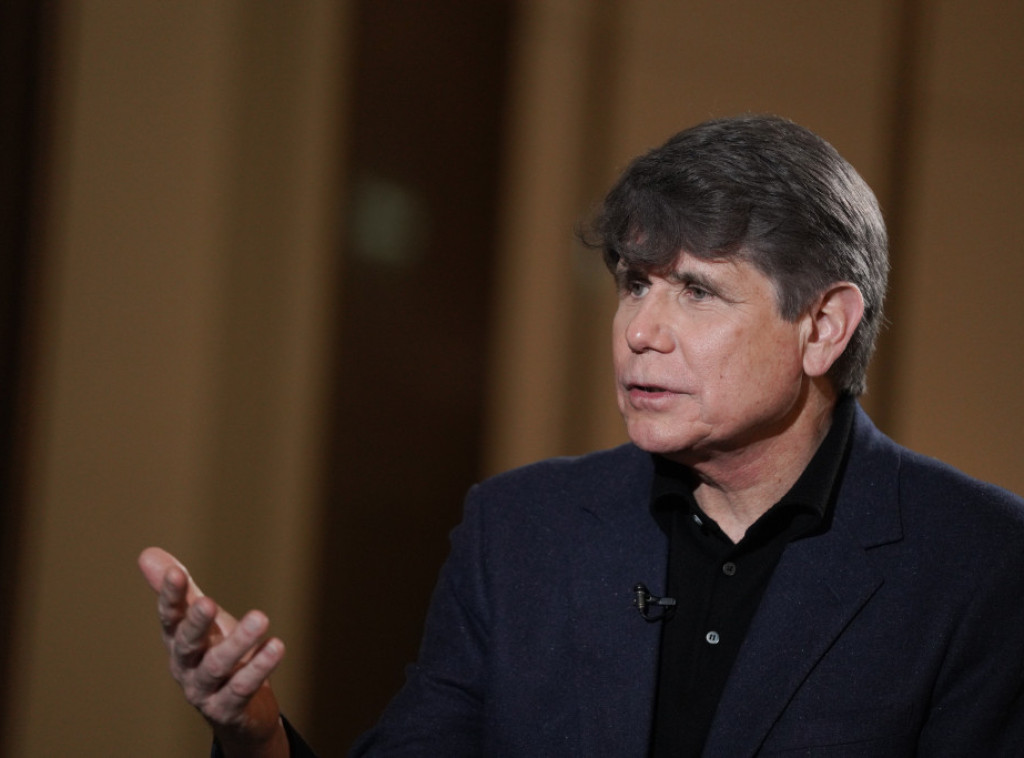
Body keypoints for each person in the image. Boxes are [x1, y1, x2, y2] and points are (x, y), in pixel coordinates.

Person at [139, 114, 1024, 757]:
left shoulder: (980, 561)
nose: (640, 330)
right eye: (635, 284)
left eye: (696, 291)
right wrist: (257, 741)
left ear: (823, 327)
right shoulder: (518, 529)